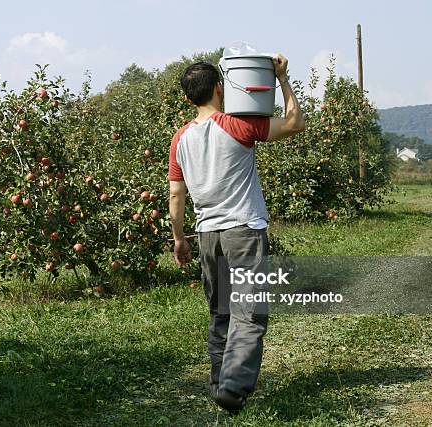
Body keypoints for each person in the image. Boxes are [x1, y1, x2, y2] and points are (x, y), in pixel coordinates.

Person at [168, 54, 305, 413]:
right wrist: (282, 79)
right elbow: (293, 124)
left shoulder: (180, 139)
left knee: (222, 313)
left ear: (187, 98)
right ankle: (232, 386)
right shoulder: (238, 125)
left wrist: (180, 238)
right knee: (249, 312)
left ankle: (220, 384)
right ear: (220, 88)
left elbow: (176, 195)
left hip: (207, 235)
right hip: (242, 230)